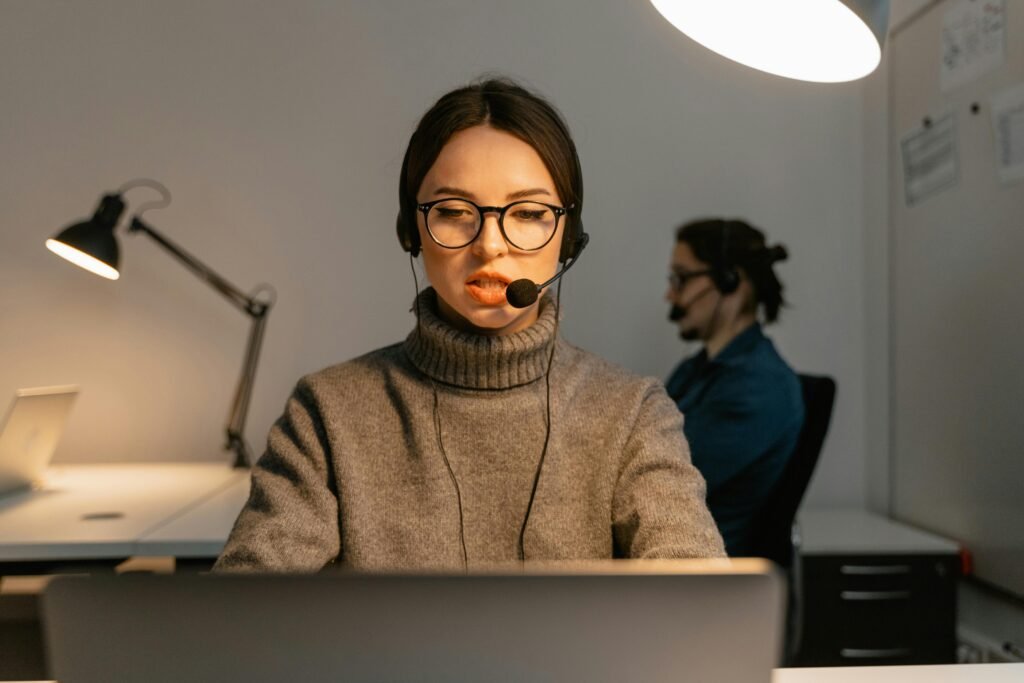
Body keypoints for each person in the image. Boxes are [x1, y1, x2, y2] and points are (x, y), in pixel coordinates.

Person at [215, 78, 724, 571]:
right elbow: (241, 619)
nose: (490, 245)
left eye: (526, 213)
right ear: (410, 230)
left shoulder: (632, 414)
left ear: (568, 237)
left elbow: (701, 612)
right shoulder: (327, 413)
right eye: (456, 211)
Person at [664, 218, 804, 557]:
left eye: (681, 279)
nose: (670, 294)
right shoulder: (695, 369)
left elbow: (663, 481)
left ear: (730, 283)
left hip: (700, 576)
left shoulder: (758, 388)